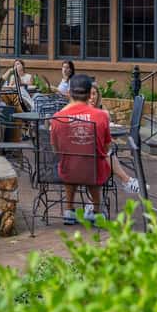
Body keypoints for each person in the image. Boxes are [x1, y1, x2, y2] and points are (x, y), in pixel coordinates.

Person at [50, 74, 111, 224]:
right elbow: (106, 146)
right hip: (94, 171)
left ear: (69, 93)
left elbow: (55, 149)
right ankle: (96, 212)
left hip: (68, 170)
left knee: (71, 162)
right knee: (94, 162)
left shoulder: (57, 117)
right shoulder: (102, 116)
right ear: (90, 93)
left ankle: (69, 210)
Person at [88, 86, 140, 194]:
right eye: (89, 94)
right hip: (84, 157)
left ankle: (127, 181)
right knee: (107, 153)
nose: (91, 97)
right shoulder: (84, 113)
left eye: (94, 94)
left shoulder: (101, 112)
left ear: (98, 95)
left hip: (93, 154)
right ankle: (127, 181)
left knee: (106, 153)